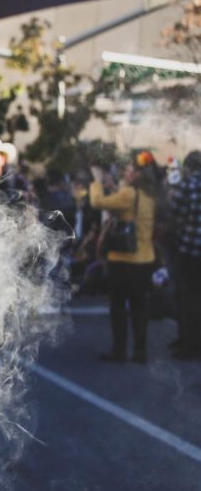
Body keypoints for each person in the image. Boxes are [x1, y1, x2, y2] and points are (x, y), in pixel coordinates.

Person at [90, 152, 159, 364]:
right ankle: (140, 352)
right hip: (145, 258)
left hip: (122, 259)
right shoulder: (151, 195)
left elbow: (97, 202)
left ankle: (119, 351)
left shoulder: (129, 194)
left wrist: (97, 181)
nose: (127, 172)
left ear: (138, 174)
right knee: (139, 308)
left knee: (118, 307)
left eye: (131, 169)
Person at [168, 150, 201, 360]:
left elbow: (173, 214)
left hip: (190, 252)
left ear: (189, 167)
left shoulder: (187, 185)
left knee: (189, 298)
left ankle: (190, 345)